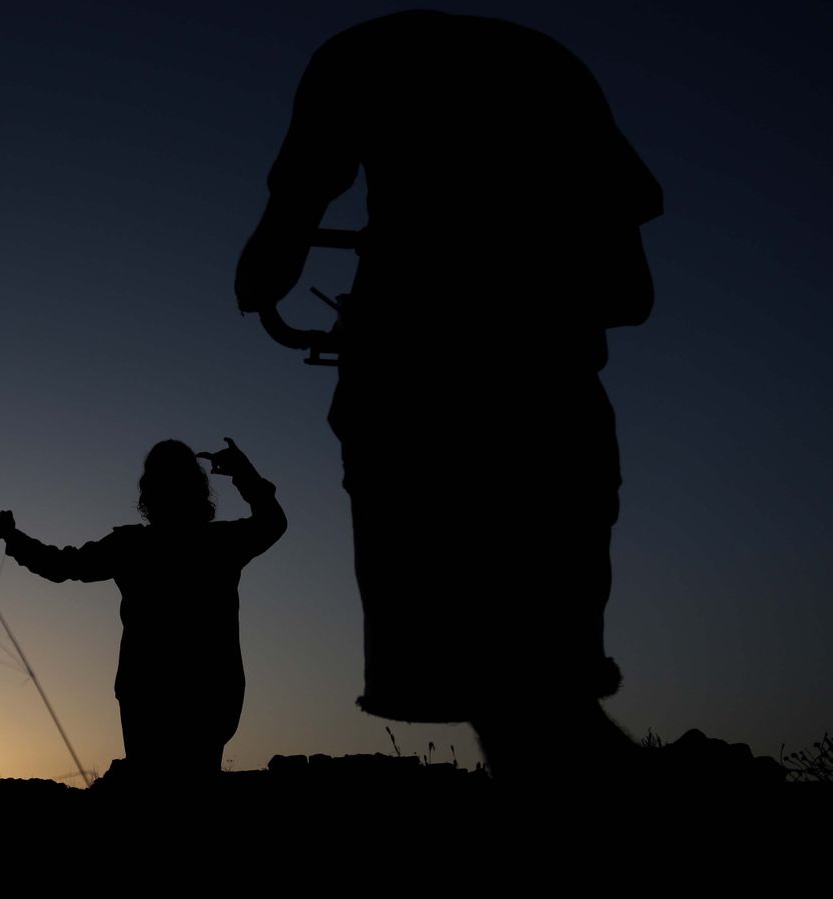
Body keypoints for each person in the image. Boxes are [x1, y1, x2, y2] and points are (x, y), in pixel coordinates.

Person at [234, 11, 662, 783]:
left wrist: (415, 284)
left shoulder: (354, 58)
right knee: (538, 692)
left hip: (415, 415)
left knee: (521, 707)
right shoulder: (552, 62)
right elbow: (630, 291)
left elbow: (266, 264)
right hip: (558, 418)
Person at [0, 438, 286, 778]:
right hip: (208, 690)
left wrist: (12, 537)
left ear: (148, 492)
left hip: (150, 693)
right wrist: (244, 473)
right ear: (199, 488)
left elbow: (61, 565)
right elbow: (272, 523)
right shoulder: (220, 542)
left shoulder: (133, 546)